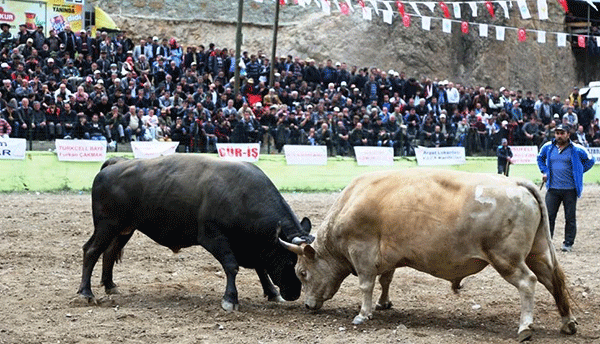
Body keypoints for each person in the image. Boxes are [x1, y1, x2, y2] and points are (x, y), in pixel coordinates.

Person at [537, 123, 595, 252]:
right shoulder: (548, 147)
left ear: (568, 134)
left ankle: (568, 243)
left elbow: (591, 160)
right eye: (557, 133)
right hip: (552, 188)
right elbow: (540, 158)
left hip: (570, 189)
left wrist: (578, 171)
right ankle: (547, 242)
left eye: (562, 133)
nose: (559, 136)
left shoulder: (577, 149)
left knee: (570, 217)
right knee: (548, 216)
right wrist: (545, 171)